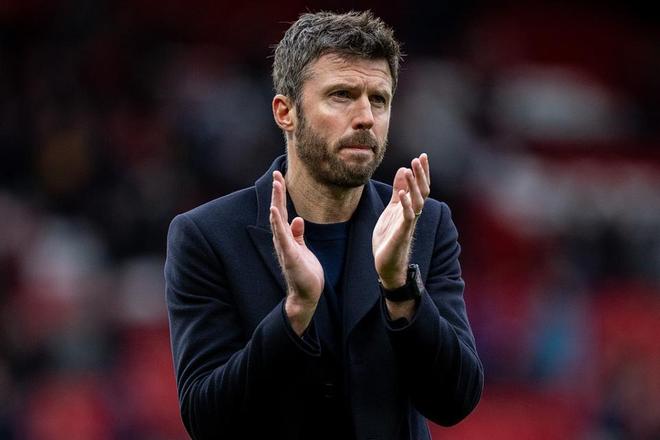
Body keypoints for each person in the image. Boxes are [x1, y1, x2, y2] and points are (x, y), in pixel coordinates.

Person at [165, 10, 483, 440]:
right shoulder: (207, 236)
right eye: (342, 95)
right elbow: (207, 420)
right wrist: (295, 313)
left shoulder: (425, 223)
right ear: (286, 112)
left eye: (379, 99)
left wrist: (399, 289)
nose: (366, 117)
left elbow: (454, 401)